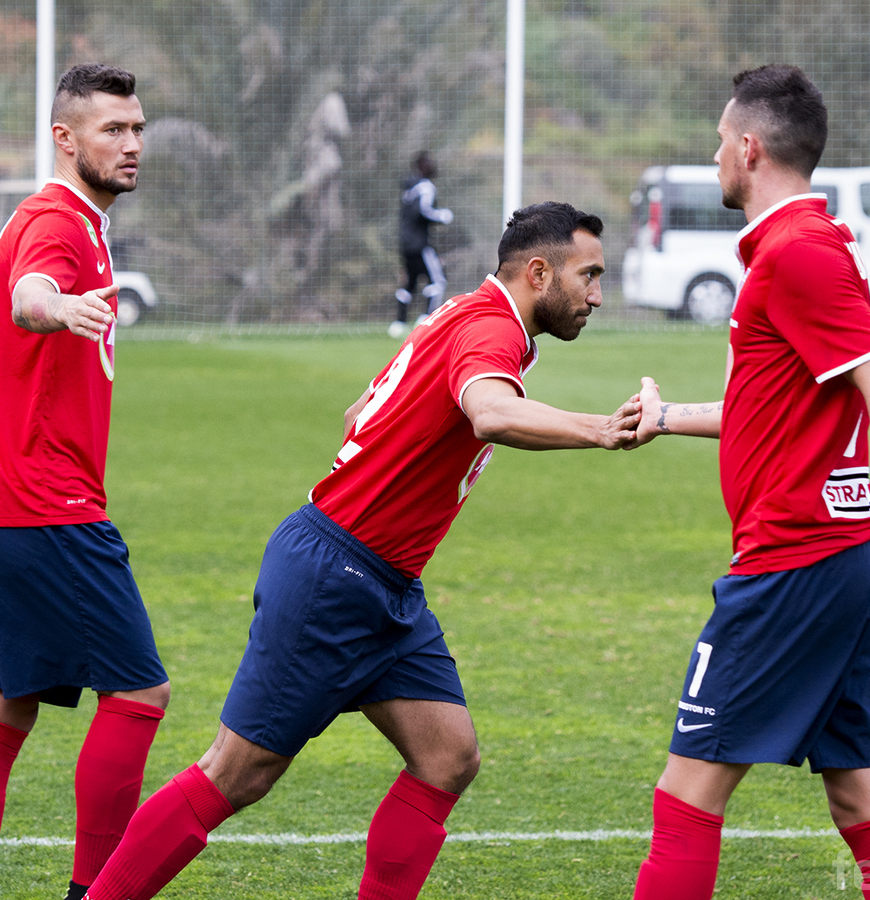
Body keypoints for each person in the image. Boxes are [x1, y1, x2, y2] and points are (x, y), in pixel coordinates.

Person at [84, 202, 642, 900]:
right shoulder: (492, 327)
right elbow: (492, 413)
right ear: (538, 272)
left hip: (383, 583)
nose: (597, 295)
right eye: (588, 275)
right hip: (336, 574)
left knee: (447, 756)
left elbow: (359, 411)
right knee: (236, 773)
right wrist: (600, 429)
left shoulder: (461, 313)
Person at [622, 65, 870, 900]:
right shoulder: (799, 247)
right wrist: (666, 416)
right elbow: (769, 406)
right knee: (864, 797)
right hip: (846, 554)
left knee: (686, 797)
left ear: (749, 149)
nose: (715, 156)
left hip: (797, 559)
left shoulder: (797, 253)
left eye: (720, 141)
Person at [0, 63, 171, 900]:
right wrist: (55, 307)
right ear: (64, 138)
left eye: (138, 128)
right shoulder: (58, 221)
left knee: (3, 707)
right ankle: (93, 892)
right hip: (43, 501)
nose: (133, 143)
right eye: (114, 130)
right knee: (139, 693)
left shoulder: (75, 222)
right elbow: (30, 294)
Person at [389, 151, 454, 339]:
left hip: (405, 244)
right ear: (422, 166)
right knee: (438, 281)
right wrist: (441, 216)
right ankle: (426, 321)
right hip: (420, 244)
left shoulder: (410, 188)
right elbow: (423, 211)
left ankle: (398, 324)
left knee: (410, 283)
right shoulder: (426, 187)